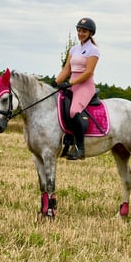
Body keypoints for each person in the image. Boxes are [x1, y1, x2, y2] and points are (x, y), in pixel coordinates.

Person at [52, 17, 100, 160]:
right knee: (59, 106)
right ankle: (67, 142)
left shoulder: (93, 50)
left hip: (85, 86)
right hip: (72, 84)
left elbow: (88, 72)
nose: (80, 33)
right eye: (79, 30)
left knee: (73, 111)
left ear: (90, 33)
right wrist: (55, 82)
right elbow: (66, 70)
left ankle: (80, 148)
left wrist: (71, 83)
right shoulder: (74, 49)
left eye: (84, 31)